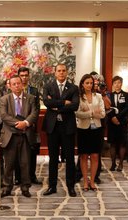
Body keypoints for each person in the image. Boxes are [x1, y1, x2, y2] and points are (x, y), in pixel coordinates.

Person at [42, 63, 80, 197]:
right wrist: (64, 103)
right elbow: (46, 103)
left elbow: (75, 106)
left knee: (69, 158)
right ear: (55, 72)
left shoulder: (74, 88)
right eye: (59, 71)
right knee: (53, 158)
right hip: (53, 127)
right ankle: (52, 186)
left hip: (67, 127)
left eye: (64, 71)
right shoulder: (48, 86)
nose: (61, 73)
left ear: (67, 72)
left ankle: (71, 186)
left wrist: (56, 105)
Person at [0, 75, 39, 198]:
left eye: (19, 83)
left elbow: (34, 113)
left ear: (23, 84)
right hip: (10, 135)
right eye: (14, 84)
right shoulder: (4, 99)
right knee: (9, 164)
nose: (17, 86)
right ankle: (7, 187)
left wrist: (25, 123)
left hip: (26, 135)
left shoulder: (30, 98)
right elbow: (4, 115)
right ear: (9, 86)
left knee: (25, 163)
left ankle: (25, 187)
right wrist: (18, 124)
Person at [75, 74, 105, 191]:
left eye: (91, 83)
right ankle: (85, 182)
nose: (89, 85)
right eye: (87, 83)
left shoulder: (98, 96)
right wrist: (92, 113)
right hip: (83, 129)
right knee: (83, 156)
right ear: (82, 84)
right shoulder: (79, 97)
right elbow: (77, 113)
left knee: (95, 155)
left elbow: (102, 114)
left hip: (96, 129)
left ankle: (92, 181)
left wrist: (88, 111)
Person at [14, 67, 42, 185]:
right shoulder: (13, 89)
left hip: (30, 125)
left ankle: (32, 175)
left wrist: (28, 122)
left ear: (29, 76)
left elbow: (37, 109)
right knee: (17, 152)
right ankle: (18, 177)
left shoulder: (34, 91)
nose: (24, 77)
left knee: (31, 151)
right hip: (16, 126)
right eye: (22, 75)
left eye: (26, 75)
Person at [107, 76, 128, 172]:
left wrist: (118, 117)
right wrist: (112, 117)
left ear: (121, 84)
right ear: (112, 85)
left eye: (119, 83)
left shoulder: (126, 95)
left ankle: (120, 163)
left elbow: (127, 107)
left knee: (122, 143)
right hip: (111, 122)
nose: (117, 85)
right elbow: (107, 108)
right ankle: (113, 163)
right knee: (112, 143)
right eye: (115, 83)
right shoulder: (109, 95)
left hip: (122, 122)